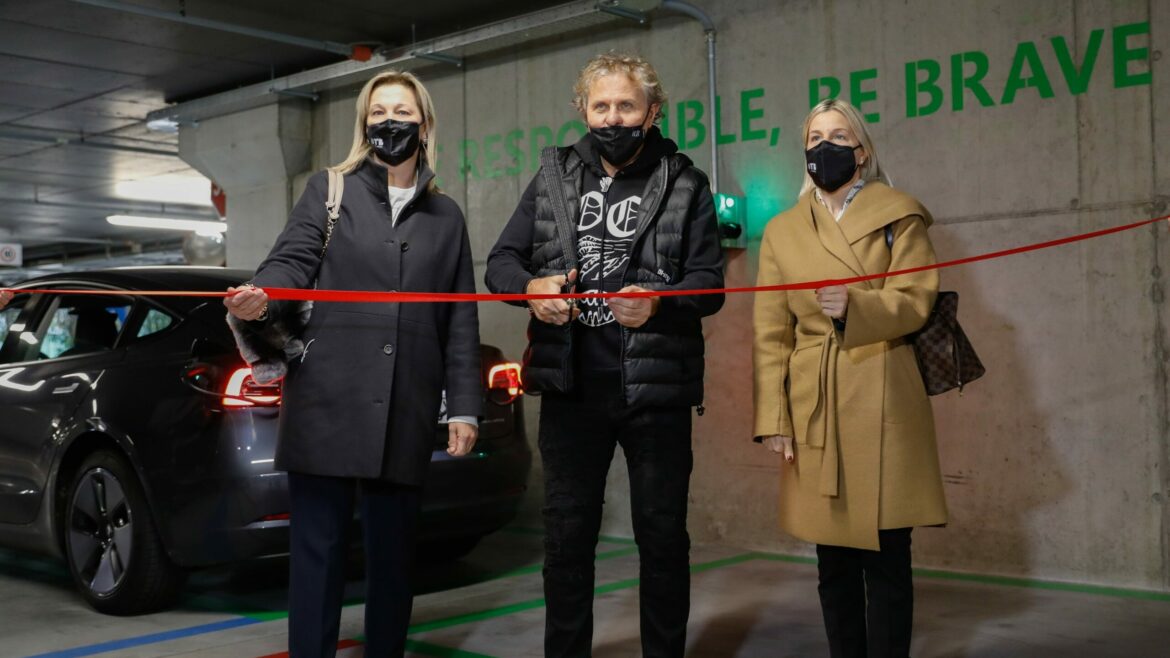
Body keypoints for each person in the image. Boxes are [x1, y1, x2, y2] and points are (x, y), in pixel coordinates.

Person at [224, 70, 481, 658]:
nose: (390, 122)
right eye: (378, 112)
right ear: (365, 124)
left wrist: (464, 407)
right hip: (327, 400)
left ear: (425, 125)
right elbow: (290, 262)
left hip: (405, 405)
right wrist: (263, 297)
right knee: (318, 555)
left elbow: (460, 319)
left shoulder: (447, 217)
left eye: (403, 112)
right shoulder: (330, 189)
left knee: (394, 558)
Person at [485, 52, 724, 657]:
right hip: (571, 390)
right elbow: (502, 262)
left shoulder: (686, 181)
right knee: (566, 541)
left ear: (653, 111)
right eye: (601, 106)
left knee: (662, 540)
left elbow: (709, 283)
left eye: (626, 106)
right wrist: (531, 290)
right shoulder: (553, 176)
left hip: (655, 393)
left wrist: (660, 303)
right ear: (582, 110)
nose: (613, 118)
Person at [752, 98, 947, 658]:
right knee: (832, 556)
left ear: (862, 151)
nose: (825, 147)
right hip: (814, 398)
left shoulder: (899, 214)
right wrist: (774, 417)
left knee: (888, 552)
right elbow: (771, 332)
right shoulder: (783, 231)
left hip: (884, 383)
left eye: (839, 136)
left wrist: (856, 307)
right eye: (815, 138)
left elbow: (917, 299)